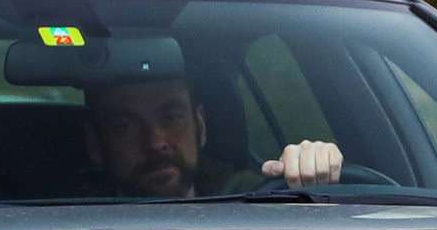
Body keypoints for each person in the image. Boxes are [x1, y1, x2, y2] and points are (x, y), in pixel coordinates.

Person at [83, 75, 344, 199]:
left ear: (201, 126)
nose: (156, 142)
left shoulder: (257, 201)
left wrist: (311, 173)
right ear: (96, 146)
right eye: (125, 127)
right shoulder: (65, 225)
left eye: (172, 118)